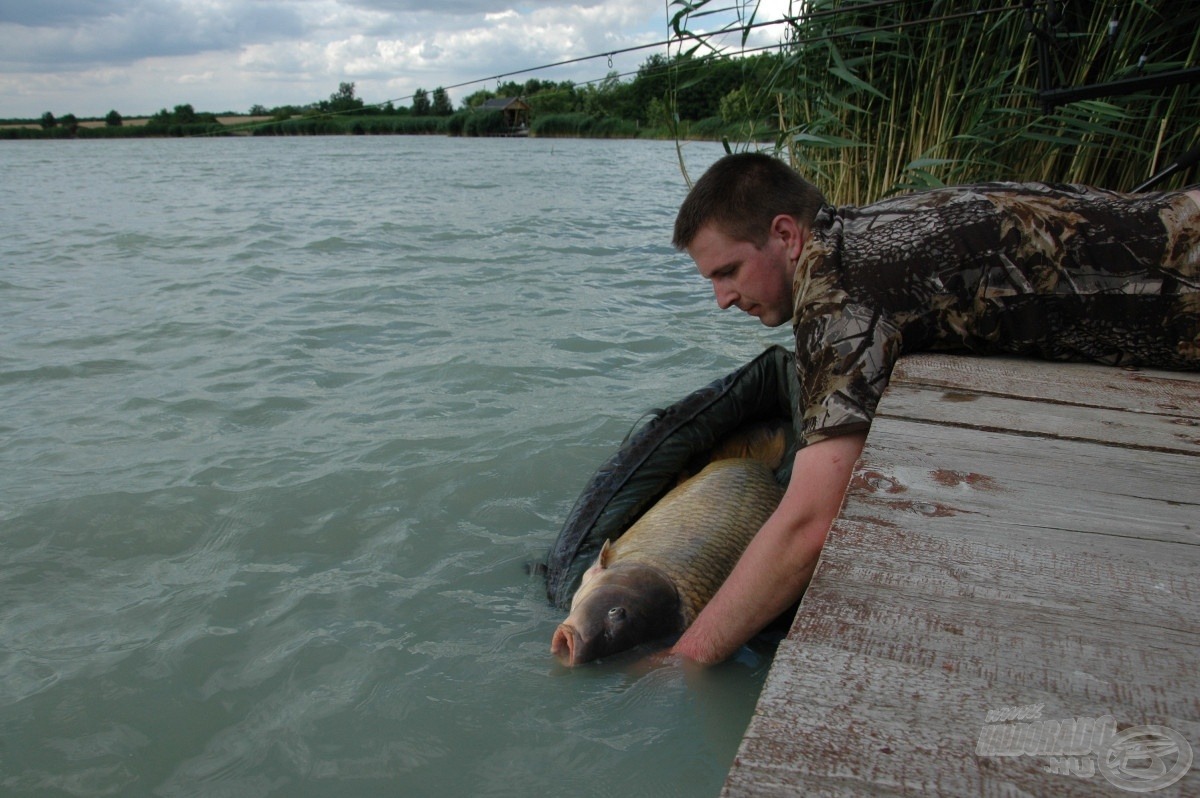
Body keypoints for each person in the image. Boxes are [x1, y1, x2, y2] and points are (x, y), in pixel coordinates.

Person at [668, 152, 1200, 664]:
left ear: (785, 235)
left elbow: (809, 524)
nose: (723, 298)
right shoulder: (861, 230)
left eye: (728, 271)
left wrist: (685, 658)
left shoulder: (837, 291)